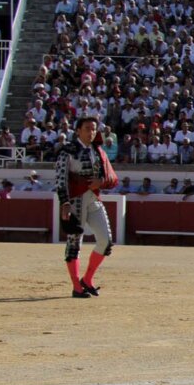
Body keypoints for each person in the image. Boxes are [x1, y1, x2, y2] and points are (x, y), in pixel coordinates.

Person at [54, 117, 119, 298]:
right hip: (75, 200)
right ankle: (76, 287)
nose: (91, 132)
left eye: (93, 129)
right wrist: (64, 202)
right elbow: (60, 179)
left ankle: (87, 279)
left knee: (105, 241)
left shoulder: (98, 151)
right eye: (87, 128)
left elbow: (112, 178)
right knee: (74, 243)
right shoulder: (67, 151)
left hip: (94, 199)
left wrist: (102, 182)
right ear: (78, 131)